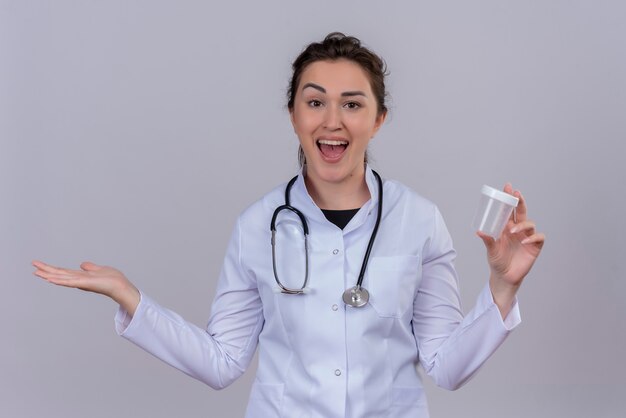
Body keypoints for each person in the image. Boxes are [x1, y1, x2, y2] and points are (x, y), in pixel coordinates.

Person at [33, 32, 545, 417]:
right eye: (315, 101)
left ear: (379, 119)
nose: (332, 120)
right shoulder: (258, 225)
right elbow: (222, 362)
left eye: (352, 104)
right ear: (294, 114)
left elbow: (447, 368)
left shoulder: (418, 220)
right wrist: (133, 300)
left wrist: (502, 287)